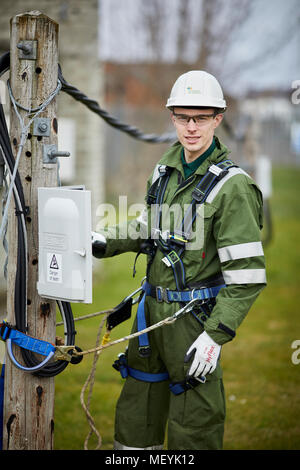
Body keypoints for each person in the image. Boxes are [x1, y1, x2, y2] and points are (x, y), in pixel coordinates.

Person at [92, 70, 266, 450]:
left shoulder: (233, 187)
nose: (191, 127)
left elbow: (248, 276)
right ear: (171, 116)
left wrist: (215, 336)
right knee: (137, 419)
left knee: (194, 428)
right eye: (183, 116)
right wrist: (102, 241)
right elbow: (148, 227)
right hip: (149, 317)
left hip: (193, 325)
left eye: (201, 118)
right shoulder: (163, 173)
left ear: (217, 119)